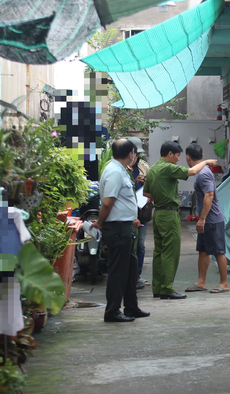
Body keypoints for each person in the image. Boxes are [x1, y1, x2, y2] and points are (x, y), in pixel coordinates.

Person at [144, 141, 217, 300]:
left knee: (159, 252)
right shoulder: (167, 167)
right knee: (171, 252)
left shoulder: (152, 170)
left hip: (158, 214)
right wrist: (205, 162)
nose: (178, 159)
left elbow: (147, 194)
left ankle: (158, 287)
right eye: (177, 155)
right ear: (170, 154)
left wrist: (165, 194)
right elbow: (192, 171)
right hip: (169, 215)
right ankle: (167, 288)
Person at [93, 139, 150, 323]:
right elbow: (108, 202)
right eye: (134, 152)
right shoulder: (115, 172)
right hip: (117, 228)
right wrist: (100, 223)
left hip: (125, 226)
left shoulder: (121, 170)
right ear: (130, 153)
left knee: (131, 270)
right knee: (118, 271)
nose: (135, 155)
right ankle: (112, 311)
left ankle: (131, 306)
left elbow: (121, 201)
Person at [184, 144, 229, 294]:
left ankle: (224, 284)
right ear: (202, 156)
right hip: (206, 219)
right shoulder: (200, 172)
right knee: (203, 251)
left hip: (212, 219)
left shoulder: (203, 174)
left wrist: (202, 219)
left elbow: (209, 196)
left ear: (187, 157)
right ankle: (201, 282)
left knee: (218, 252)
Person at [128, 137, 150, 290]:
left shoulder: (143, 166)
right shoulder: (122, 168)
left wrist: (146, 183)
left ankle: (137, 276)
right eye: (134, 153)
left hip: (142, 209)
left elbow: (151, 184)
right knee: (129, 244)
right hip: (127, 211)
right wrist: (134, 182)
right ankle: (129, 276)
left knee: (140, 245)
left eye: (138, 154)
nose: (136, 157)